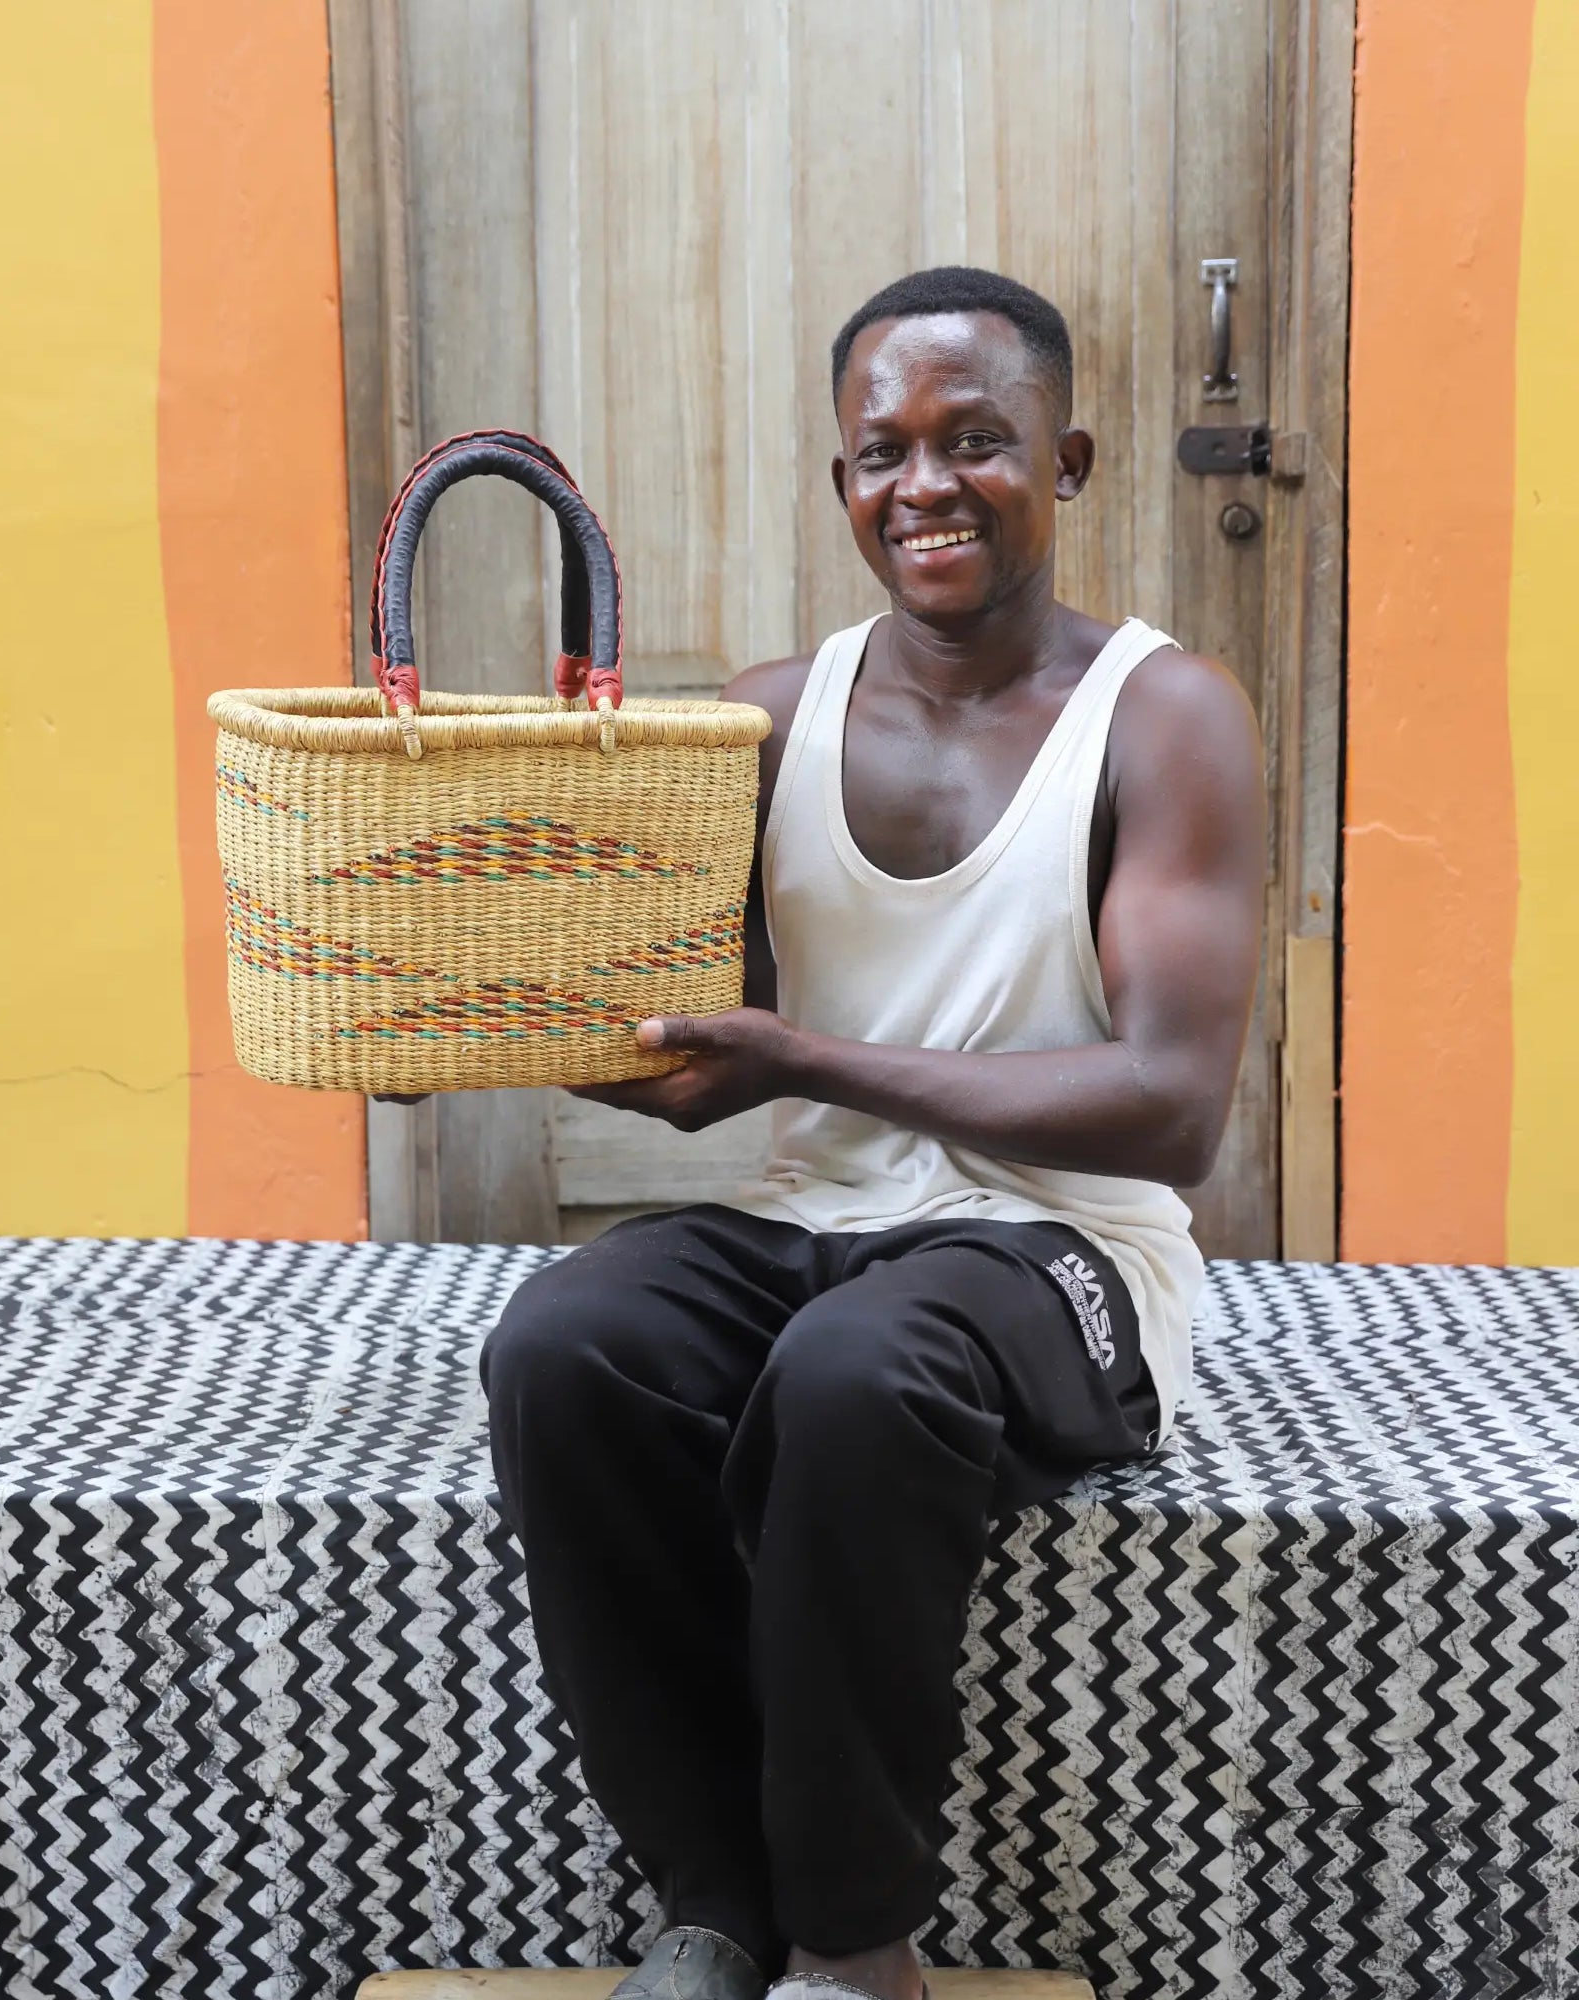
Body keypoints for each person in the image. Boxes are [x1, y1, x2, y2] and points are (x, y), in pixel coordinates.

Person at [478, 267, 1265, 2000]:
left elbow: (1171, 1111)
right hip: (816, 1220)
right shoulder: (770, 718)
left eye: (975, 440)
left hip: (1065, 1253)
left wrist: (810, 1061)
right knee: (565, 1342)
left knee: (854, 1372)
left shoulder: (1163, 717)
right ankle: (713, 1903)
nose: (926, 485)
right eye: (882, 451)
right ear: (841, 479)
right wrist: (472, 1029)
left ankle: (855, 1947)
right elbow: (700, 1043)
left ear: (1065, 461)